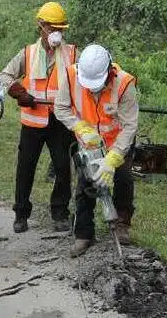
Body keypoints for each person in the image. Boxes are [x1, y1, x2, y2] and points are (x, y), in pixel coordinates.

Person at [0, 2, 79, 233]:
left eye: (61, 29)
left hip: (60, 121)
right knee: (26, 168)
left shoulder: (72, 53)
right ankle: (21, 215)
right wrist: (18, 92)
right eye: (52, 28)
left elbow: (84, 79)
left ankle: (60, 213)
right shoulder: (28, 53)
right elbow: (5, 75)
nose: (57, 33)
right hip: (33, 121)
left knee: (63, 167)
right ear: (41, 26)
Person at [54, 44, 138, 257]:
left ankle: (121, 225)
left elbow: (129, 125)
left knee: (124, 180)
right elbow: (61, 107)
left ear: (109, 71)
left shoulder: (124, 84)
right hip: (89, 142)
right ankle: (84, 234)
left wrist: (114, 158)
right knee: (85, 187)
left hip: (119, 142)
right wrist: (78, 126)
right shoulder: (72, 75)